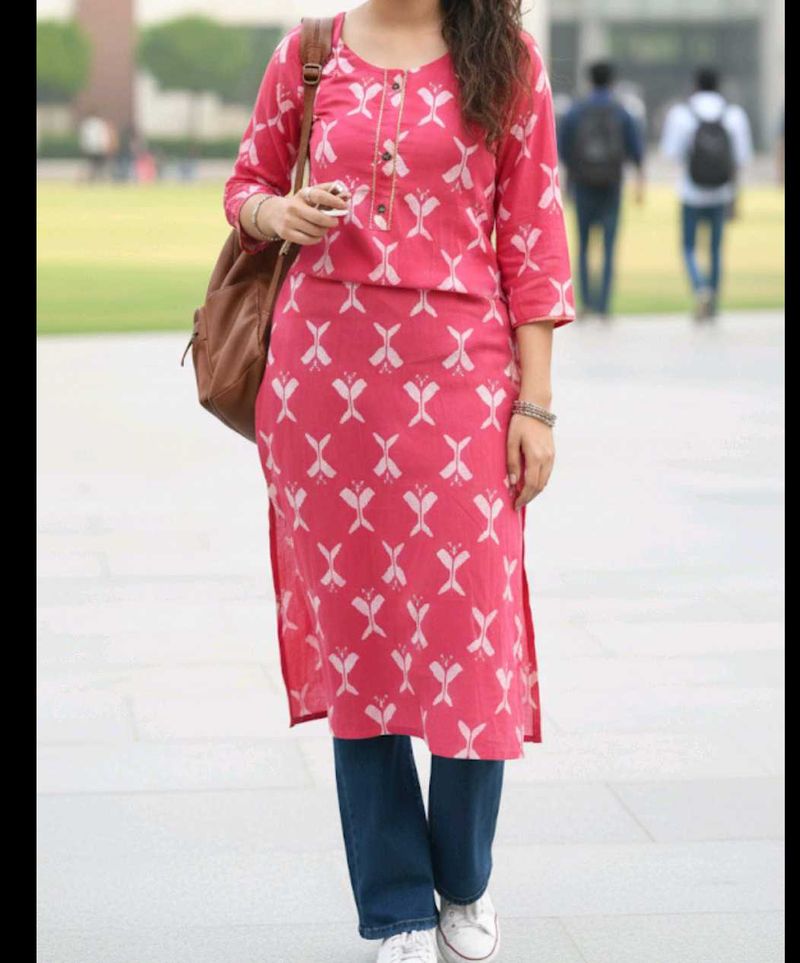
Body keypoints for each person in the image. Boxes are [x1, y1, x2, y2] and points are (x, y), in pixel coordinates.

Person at [223, 2, 573, 961]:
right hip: (324, 390)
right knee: (362, 647)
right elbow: (246, 184)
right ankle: (396, 907)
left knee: (474, 636)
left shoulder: (507, 61)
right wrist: (276, 211)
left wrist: (535, 408)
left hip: (465, 380)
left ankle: (461, 874)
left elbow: (535, 241)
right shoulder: (311, 53)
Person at [660, 67, 753, 320]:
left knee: (689, 247)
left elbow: (671, 153)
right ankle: (713, 300)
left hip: (691, 191)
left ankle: (700, 288)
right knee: (715, 249)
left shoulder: (682, 114)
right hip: (722, 191)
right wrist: (736, 196)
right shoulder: (734, 115)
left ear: (695, 85)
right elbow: (741, 158)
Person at [558, 61, 645, 319]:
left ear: (589, 80)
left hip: (583, 184)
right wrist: (640, 181)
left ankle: (585, 302)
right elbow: (635, 150)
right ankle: (604, 305)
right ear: (612, 82)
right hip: (611, 185)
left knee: (583, 246)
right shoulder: (621, 111)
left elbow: (562, 149)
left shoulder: (576, 111)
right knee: (608, 246)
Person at [78, 110, 112, 182]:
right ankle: (100, 179)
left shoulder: (87, 124)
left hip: (90, 148)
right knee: (100, 166)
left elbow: (84, 137)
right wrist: (105, 146)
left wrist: (84, 146)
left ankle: (90, 179)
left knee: (90, 165)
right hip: (99, 148)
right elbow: (103, 136)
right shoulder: (100, 123)